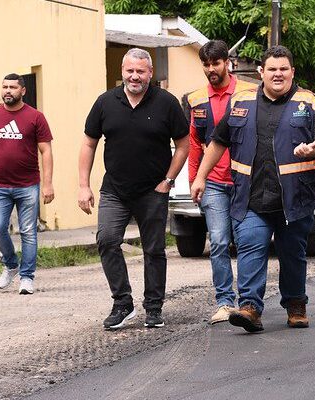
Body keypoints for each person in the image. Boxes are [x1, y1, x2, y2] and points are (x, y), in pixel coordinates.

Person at [190, 45, 315, 333]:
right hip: (251, 197)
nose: (278, 74)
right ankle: (250, 307)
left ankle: (296, 304)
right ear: (261, 72)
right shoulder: (241, 102)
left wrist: (313, 148)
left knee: (292, 254)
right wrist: (200, 177)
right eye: (272, 69)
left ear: (292, 72)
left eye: (283, 69)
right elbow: (218, 141)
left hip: (294, 199)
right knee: (250, 247)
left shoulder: (311, 103)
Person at [79, 48, 189, 330]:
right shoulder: (105, 102)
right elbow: (89, 143)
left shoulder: (166, 102)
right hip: (114, 190)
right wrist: (83, 185)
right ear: (122, 71)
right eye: (130, 71)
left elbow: (183, 145)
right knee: (107, 240)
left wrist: (168, 181)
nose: (135, 76)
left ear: (150, 73)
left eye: (140, 71)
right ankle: (122, 303)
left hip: (153, 190)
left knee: (154, 250)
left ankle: (153, 307)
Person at [186, 40, 256, 325]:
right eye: (206, 64)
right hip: (213, 183)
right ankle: (225, 302)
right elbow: (194, 143)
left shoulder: (249, 93)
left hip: (244, 180)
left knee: (247, 241)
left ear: (227, 63)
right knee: (218, 241)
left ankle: (249, 302)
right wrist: (195, 179)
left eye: (216, 63)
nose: (211, 69)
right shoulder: (196, 99)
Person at [0, 73, 54, 295]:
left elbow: (46, 151)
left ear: (23, 90)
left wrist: (48, 184)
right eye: (5, 87)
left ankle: (27, 277)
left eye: (12, 87)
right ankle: (11, 264)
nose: (8, 91)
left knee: (28, 231)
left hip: (28, 185)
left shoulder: (35, 117)